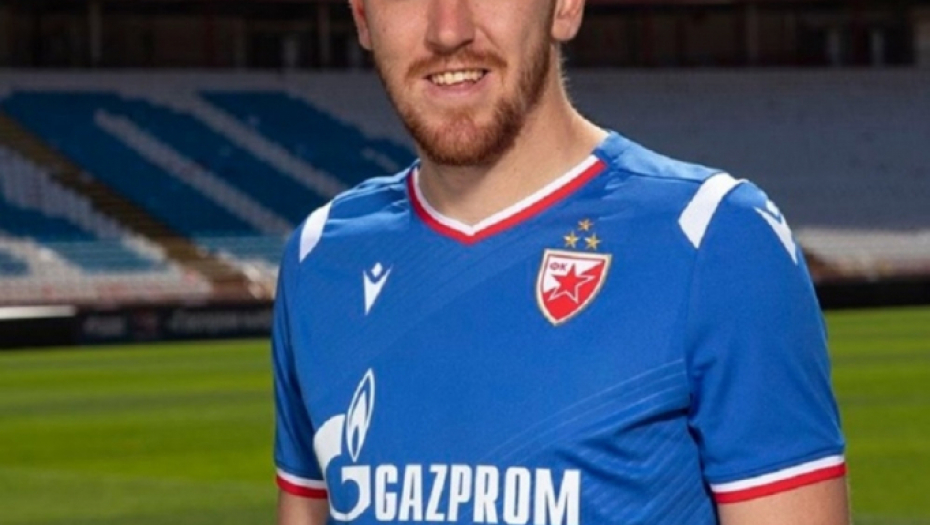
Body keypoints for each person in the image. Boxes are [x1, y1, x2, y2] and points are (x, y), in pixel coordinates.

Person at [272, 0, 850, 524]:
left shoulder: (713, 239)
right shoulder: (320, 258)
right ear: (361, 17)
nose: (448, 29)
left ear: (566, 7)